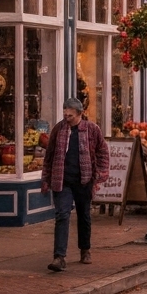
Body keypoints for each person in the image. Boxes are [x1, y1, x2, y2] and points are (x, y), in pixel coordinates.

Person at [41, 97, 109, 272]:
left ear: (80, 114)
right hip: (62, 180)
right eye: (65, 114)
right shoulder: (59, 129)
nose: (67, 117)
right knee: (62, 215)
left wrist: (101, 173)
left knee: (84, 215)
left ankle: (85, 249)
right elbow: (49, 155)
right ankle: (59, 257)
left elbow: (102, 151)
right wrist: (46, 178)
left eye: (70, 115)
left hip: (84, 180)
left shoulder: (92, 130)